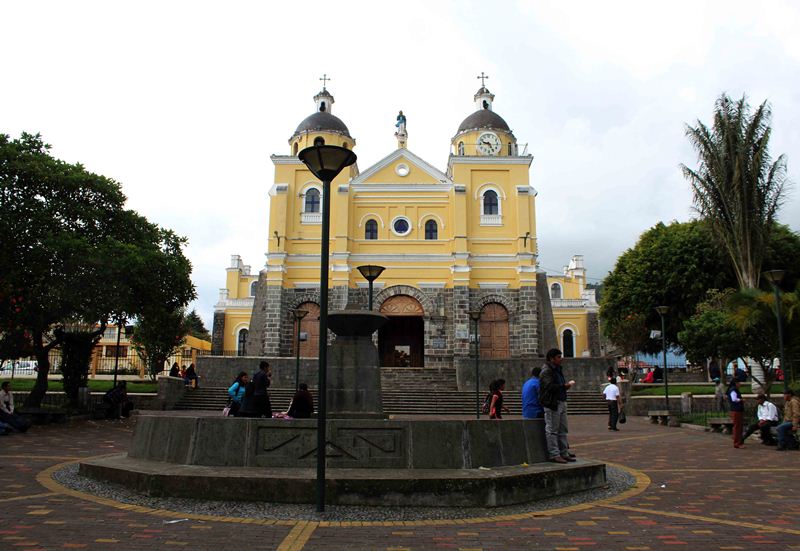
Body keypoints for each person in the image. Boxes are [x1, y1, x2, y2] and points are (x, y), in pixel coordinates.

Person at [539, 348, 577, 464]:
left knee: (563, 429)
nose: (561, 359)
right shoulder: (546, 371)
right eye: (559, 357)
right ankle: (554, 454)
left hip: (561, 401)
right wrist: (564, 386)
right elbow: (549, 386)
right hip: (552, 403)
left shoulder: (557, 369)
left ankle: (564, 452)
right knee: (552, 430)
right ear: (552, 358)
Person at [727, 378, 745, 448]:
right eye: (739, 383)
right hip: (736, 410)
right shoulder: (733, 390)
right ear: (736, 383)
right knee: (737, 426)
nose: (740, 384)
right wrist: (741, 400)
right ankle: (737, 442)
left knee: (739, 426)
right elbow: (734, 399)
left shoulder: (733, 390)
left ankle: (738, 441)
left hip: (737, 410)